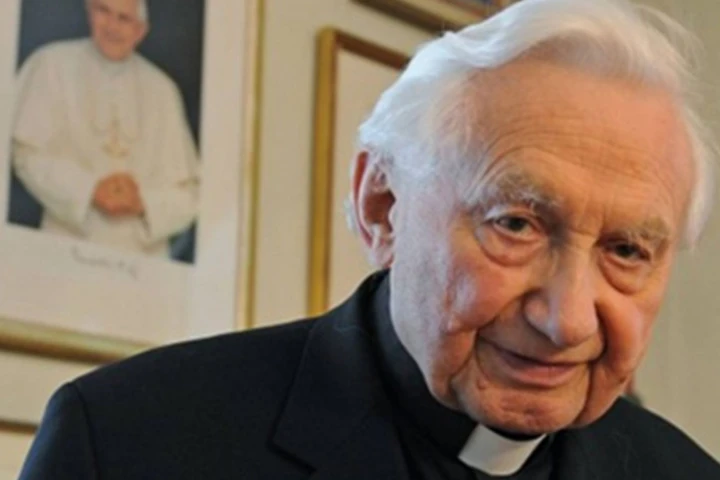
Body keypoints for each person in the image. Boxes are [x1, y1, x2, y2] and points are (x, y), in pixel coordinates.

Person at [19, 0, 720, 478]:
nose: (567, 319)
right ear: (382, 206)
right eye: (515, 223)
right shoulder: (126, 444)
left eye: (627, 250)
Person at [12, 0, 199, 258]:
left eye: (124, 19)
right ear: (89, 11)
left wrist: (142, 202)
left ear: (140, 31)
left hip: (142, 258)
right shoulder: (51, 64)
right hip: (64, 245)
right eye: (103, 11)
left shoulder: (163, 90)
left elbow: (188, 194)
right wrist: (88, 190)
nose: (112, 27)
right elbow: (26, 156)